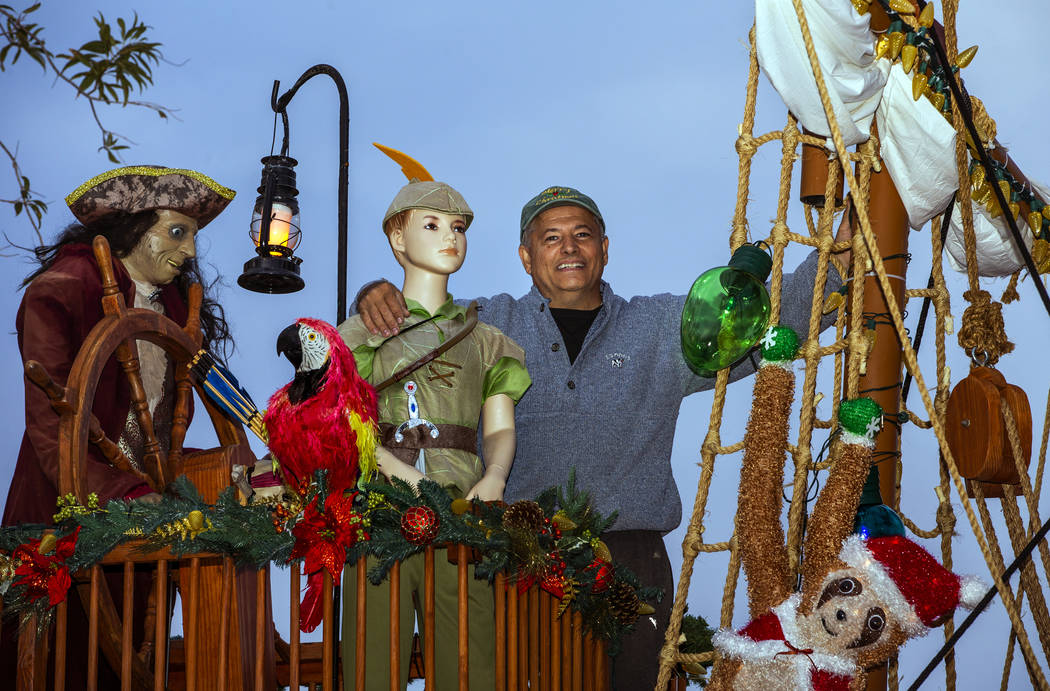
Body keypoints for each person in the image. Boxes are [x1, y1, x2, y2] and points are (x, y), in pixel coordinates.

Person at [355, 185, 852, 690]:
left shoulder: (656, 327)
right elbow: (409, 326)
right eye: (551, 238)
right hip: (516, 554)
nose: (568, 248)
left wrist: (841, 256)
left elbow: (760, 315)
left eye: (582, 235)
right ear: (526, 257)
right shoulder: (484, 325)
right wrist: (375, 294)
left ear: (605, 249)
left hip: (632, 566)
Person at [1, 165, 238, 688]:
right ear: (132, 229)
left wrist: (231, 472)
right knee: (58, 664)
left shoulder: (176, 314)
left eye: (194, 235)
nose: (192, 252)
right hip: (61, 524)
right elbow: (52, 426)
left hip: (142, 548)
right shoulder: (62, 292)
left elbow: (160, 436)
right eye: (178, 232)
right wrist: (123, 494)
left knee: (126, 666)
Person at [338, 179, 531, 690]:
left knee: (469, 659)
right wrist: (394, 468)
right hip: (379, 507)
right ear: (397, 240)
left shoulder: (490, 341)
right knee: (371, 659)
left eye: (458, 228)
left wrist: (494, 476)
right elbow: (343, 417)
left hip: (464, 507)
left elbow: (501, 425)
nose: (450, 237)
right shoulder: (358, 333)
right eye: (432, 225)